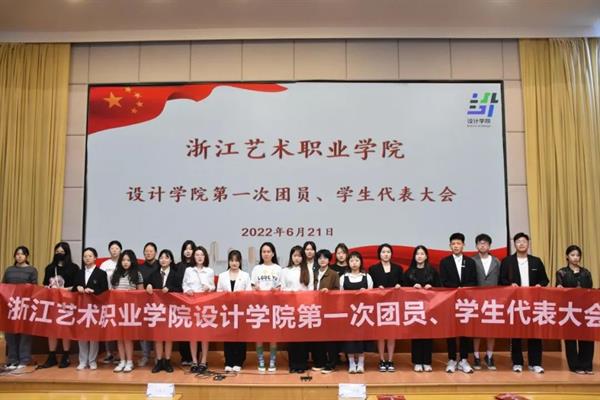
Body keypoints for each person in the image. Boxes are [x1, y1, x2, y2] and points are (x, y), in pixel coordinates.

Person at [499, 232, 549, 374]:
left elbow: (545, 280)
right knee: (516, 333)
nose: (521, 244)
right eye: (518, 241)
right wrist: (510, 285)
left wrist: (539, 285)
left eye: (524, 241)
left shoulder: (536, 261)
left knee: (535, 333)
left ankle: (535, 363)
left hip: (533, 302)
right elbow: (501, 280)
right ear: (514, 244)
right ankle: (517, 362)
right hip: (515, 302)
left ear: (528, 244)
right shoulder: (507, 261)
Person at [439, 232, 477, 374]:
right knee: (451, 330)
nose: (456, 246)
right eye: (453, 244)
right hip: (450, 300)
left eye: (458, 243)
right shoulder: (445, 262)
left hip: (466, 302)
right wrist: (456, 289)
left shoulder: (470, 262)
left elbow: (474, 281)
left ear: (463, 245)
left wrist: (464, 289)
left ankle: (464, 359)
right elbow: (443, 281)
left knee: (465, 331)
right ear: (450, 246)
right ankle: (452, 359)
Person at [39, 242, 79, 369]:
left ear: (67, 253)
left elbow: (76, 286)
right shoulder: (50, 268)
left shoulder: (73, 268)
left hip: (67, 302)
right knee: (51, 329)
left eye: (62, 252)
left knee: (65, 328)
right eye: (57, 252)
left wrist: (64, 289)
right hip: (52, 302)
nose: (59, 254)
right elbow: (45, 284)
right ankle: (52, 355)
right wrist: (49, 288)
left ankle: (66, 355)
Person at [556, 245, 594, 374]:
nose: (575, 257)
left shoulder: (586, 272)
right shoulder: (561, 272)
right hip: (569, 310)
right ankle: (575, 366)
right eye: (572, 255)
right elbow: (559, 288)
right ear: (567, 256)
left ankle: (586, 365)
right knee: (571, 340)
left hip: (585, 309)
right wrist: (559, 288)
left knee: (587, 338)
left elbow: (590, 290)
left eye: (577, 255)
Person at [403, 245, 440, 372]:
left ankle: (427, 361)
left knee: (428, 335)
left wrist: (432, 287)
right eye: (417, 254)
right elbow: (403, 290)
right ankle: (417, 361)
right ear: (414, 256)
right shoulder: (409, 272)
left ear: (426, 256)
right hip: (414, 308)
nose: (419, 256)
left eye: (422, 254)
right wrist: (412, 288)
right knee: (416, 335)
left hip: (430, 308)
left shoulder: (433, 271)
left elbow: (440, 288)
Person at [368, 243, 403, 372]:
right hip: (379, 305)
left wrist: (399, 286)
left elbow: (403, 283)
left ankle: (390, 359)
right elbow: (370, 286)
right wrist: (377, 288)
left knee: (391, 334)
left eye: (388, 252)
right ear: (379, 254)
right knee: (381, 334)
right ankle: (382, 359)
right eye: (383, 252)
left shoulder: (398, 268)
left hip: (394, 305)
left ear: (391, 254)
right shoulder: (373, 269)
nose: (386, 254)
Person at [146, 249, 182, 373]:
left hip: (171, 310)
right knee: (158, 337)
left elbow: (180, 289)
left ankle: (167, 361)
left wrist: (169, 288)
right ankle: (159, 361)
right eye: (161, 257)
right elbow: (148, 284)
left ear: (171, 260)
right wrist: (148, 285)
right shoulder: (154, 274)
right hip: (157, 311)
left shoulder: (175, 274)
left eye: (166, 257)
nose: (163, 260)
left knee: (168, 337)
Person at [73, 247, 109, 370]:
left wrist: (93, 291)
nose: (87, 258)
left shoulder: (101, 273)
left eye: (90, 256)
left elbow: (105, 291)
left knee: (93, 336)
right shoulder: (79, 272)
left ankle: (92, 360)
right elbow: (74, 289)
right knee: (82, 335)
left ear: (95, 258)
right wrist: (78, 287)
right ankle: (83, 361)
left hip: (95, 308)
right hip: (81, 308)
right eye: (85, 256)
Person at [2, 246, 38, 370]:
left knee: (24, 333)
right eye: (17, 254)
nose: (19, 256)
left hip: (25, 306)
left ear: (26, 256)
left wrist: (29, 287)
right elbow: (3, 286)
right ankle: (12, 359)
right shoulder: (9, 270)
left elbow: (35, 287)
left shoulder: (32, 270)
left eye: (22, 254)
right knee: (10, 333)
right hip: (10, 305)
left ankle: (24, 359)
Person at [217, 250, 252, 372]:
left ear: (240, 262)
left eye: (236, 260)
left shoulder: (245, 275)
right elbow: (218, 293)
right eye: (232, 260)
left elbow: (249, 293)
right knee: (228, 336)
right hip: (227, 311)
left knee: (240, 337)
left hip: (241, 310)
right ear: (228, 262)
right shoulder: (222, 276)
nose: (234, 263)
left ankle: (239, 361)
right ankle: (229, 361)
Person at [182, 245, 215, 373]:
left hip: (205, 307)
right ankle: (194, 361)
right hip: (191, 305)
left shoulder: (209, 271)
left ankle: (203, 361)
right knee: (193, 335)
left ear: (205, 257)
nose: (199, 257)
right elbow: (184, 285)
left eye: (202, 255)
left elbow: (213, 286)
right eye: (197, 255)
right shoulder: (189, 270)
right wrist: (187, 290)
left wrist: (209, 288)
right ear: (193, 257)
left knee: (204, 335)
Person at [281, 246, 313, 373]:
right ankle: (293, 365)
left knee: (303, 338)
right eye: (294, 256)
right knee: (292, 338)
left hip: (303, 308)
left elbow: (311, 289)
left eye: (299, 256)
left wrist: (303, 295)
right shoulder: (285, 271)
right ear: (291, 257)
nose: (297, 258)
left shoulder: (308, 270)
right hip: (290, 308)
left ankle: (302, 364)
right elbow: (282, 288)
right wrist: (292, 292)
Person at [250, 242, 282, 372]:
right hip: (259, 306)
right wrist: (255, 289)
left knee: (272, 334)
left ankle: (273, 360)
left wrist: (277, 290)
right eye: (264, 251)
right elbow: (252, 287)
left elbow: (281, 287)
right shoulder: (256, 269)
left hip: (273, 306)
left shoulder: (278, 269)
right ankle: (261, 359)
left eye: (268, 251)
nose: (266, 254)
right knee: (259, 334)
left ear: (273, 253)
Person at [110, 249, 144, 373]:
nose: (125, 262)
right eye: (123, 260)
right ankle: (122, 361)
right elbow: (112, 291)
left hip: (130, 310)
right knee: (119, 336)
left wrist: (132, 294)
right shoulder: (115, 274)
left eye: (128, 260)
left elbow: (141, 293)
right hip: (117, 309)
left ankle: (129, 361)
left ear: (132, 261)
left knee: (128, 337)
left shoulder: (137, 274)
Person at [340, 251, 373, 374]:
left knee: (361, 338)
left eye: (357, 260)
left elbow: (372, 294)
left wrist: (366, 292)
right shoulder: (343, 277)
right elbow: (339, 295)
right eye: (352, 260)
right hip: (348, 312)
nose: (354, 263)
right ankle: (351, 363)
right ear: (348, 263)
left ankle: (361, 363)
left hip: (362, 312)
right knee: (349, 338)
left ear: (360, 262)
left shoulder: (367, 277)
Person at [471, 233, 501, 370]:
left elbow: (501, 280)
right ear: (476, 245)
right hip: (476, 300)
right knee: (476, 330)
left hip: (493, 300)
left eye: (485, 243)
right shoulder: (472, 261)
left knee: (491, 330)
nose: (482, 245)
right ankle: (476, 356)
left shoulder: (497, 261)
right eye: (480, 243)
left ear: (489, 246)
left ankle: (489, 356)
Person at [311, 249, 340, 374]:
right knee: (318, 339)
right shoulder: (314, 273)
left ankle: (331, 364)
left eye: (325, 258)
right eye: (320, 258)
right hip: (315, 309)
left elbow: (338, 291)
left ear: (329, 260)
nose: (322, 260)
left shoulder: (333, 274)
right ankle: (320, 362)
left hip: (329, 310)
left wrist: (329, 292)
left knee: (330, 339)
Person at [100, 240, 122, 364]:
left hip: (120, 300)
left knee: (119, 326)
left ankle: (119, 353)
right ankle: (109, 353)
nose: (114, 250)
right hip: (107, 299)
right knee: (108, 325)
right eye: (112, 248)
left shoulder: (124, 262)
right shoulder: (104, 264)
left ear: (120, 250)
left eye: (116, 248)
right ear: (109, 250)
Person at [138, 241, 159, 367]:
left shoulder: (161, 265)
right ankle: (145, 355)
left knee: (157, 331)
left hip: (159, 305)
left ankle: (158, 356)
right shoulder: (139, 268)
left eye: (151, 251)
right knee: (143, 331)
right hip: (143, 304)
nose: (148, 253)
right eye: (146, 251)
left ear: (155, 253)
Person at [176, 240, 196, 366]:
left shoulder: (197, 266)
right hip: (181, 303)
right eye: (186, 249)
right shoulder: (178, 266)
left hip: (195, 303)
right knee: (183, 330)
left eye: (190, 248)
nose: (188, 251)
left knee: (194, 331)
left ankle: (195, 357)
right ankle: (185, 357)